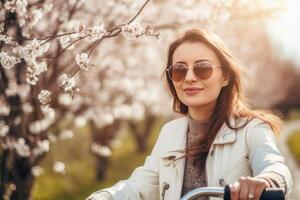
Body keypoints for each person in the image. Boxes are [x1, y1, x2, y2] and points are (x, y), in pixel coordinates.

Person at [85, 28, 292, 200]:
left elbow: (275, 167)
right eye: (179, 70)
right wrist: (104, 197)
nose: (189, 77)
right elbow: (139, 186)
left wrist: (266, 181)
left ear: (225, 77)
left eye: (203, 68)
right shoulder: (170, 133)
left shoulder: (252, 129)